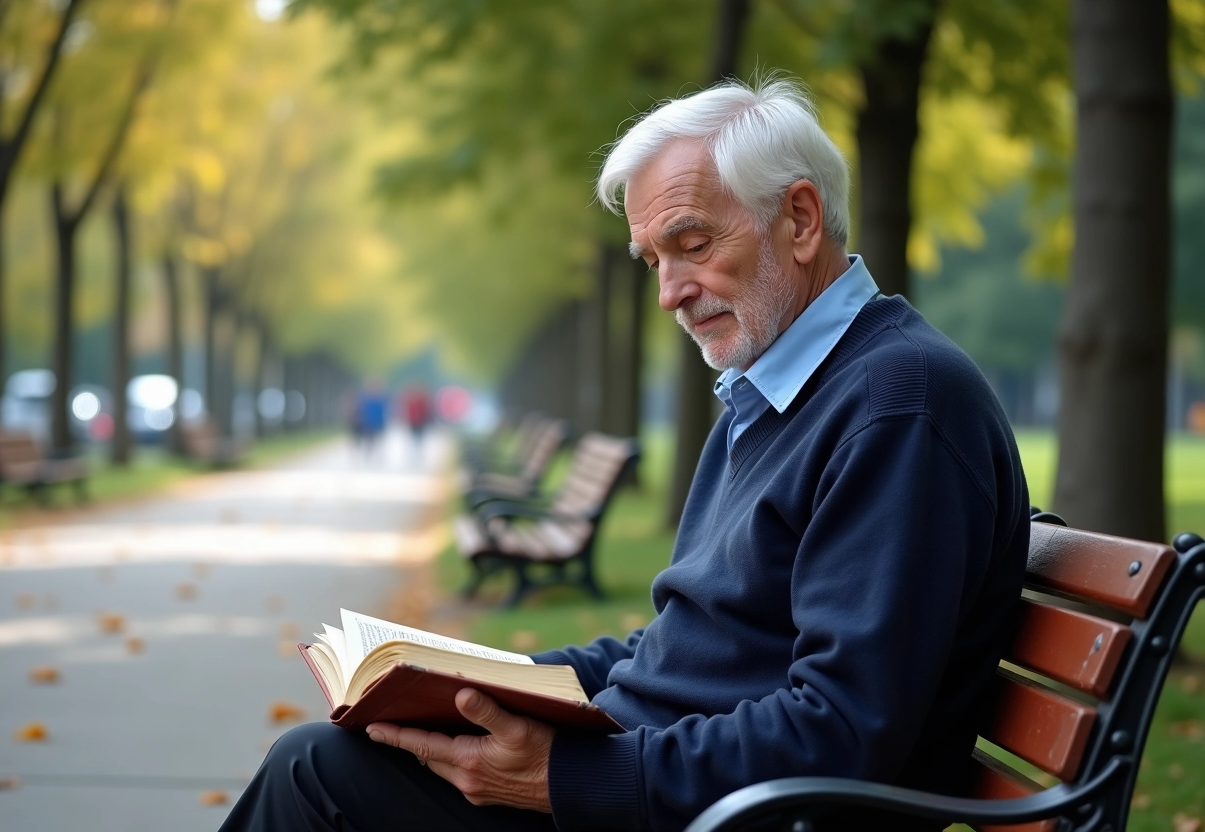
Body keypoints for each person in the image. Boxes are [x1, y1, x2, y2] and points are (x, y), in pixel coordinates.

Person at [219, 77, 1029, 832]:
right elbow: (689, 650)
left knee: (313, 774)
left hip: (717, 811)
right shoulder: (773, 394)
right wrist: (472, 685)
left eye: (693, 242)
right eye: (654, 260)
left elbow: (844, 729)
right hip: (670, 780)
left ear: (802, 220)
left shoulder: (898, 402)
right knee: (336, 757)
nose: (672, 290)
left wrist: (566, 776)